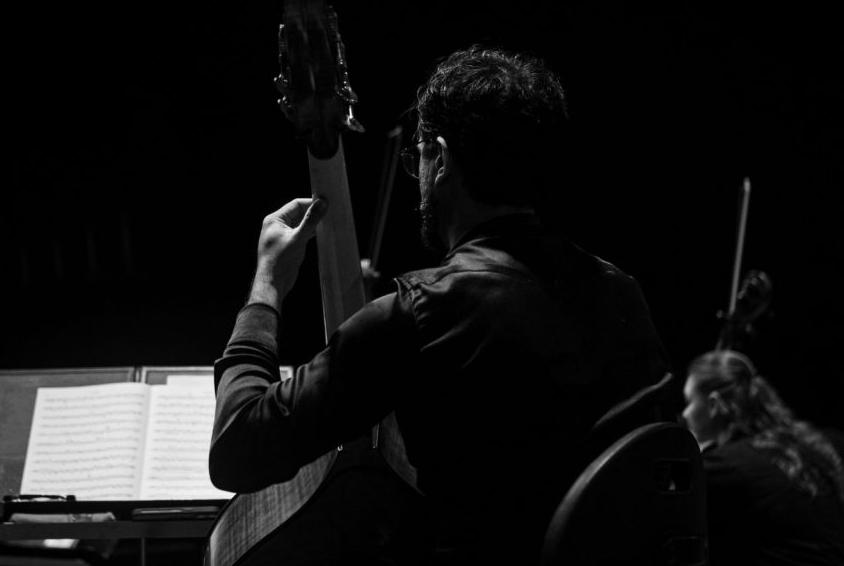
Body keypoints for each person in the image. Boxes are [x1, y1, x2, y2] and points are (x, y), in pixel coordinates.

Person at [209, 45, 673, 563]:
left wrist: (268, 283)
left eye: (419, 157)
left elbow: (237, 450)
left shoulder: (420, 314)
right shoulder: (622, 292)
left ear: (443, 160)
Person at [682, 350, 844, 565]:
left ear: (714, 404)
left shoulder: (725, 467)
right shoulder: (812, 445)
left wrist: (699, 453)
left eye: (689, 401)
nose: (685, 413)